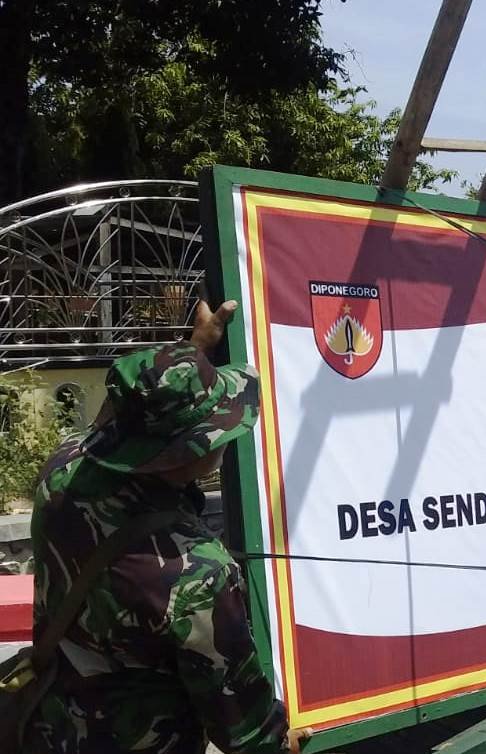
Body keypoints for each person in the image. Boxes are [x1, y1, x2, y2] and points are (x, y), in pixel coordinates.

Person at [25, 300, 307, 754]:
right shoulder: (197, 576)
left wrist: (193, 352)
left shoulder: (63, 469)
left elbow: (122, 415)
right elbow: (244, 730)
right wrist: (279, 741)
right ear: (196, 450)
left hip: (51, 727)